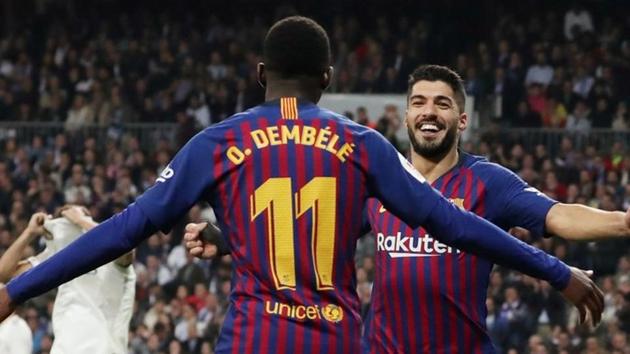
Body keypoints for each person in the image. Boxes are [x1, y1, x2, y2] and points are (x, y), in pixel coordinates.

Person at [0, 17, 602, 354]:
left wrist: (17, 290)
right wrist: (557, 271)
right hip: (334, 343)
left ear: (261, 74)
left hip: (251, 341)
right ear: (328, 78)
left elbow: (122, 231)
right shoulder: (364, 146)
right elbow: (455, 222)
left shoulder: (216, 144)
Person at [0, 207, 135, 354]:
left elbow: (125, 247)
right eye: (64, 220)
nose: (69, 219)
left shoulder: (111, 255)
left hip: (104, 348)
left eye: (74, 213)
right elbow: (4, 274)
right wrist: (29, 233)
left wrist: (80, 220)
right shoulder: (57, 258)